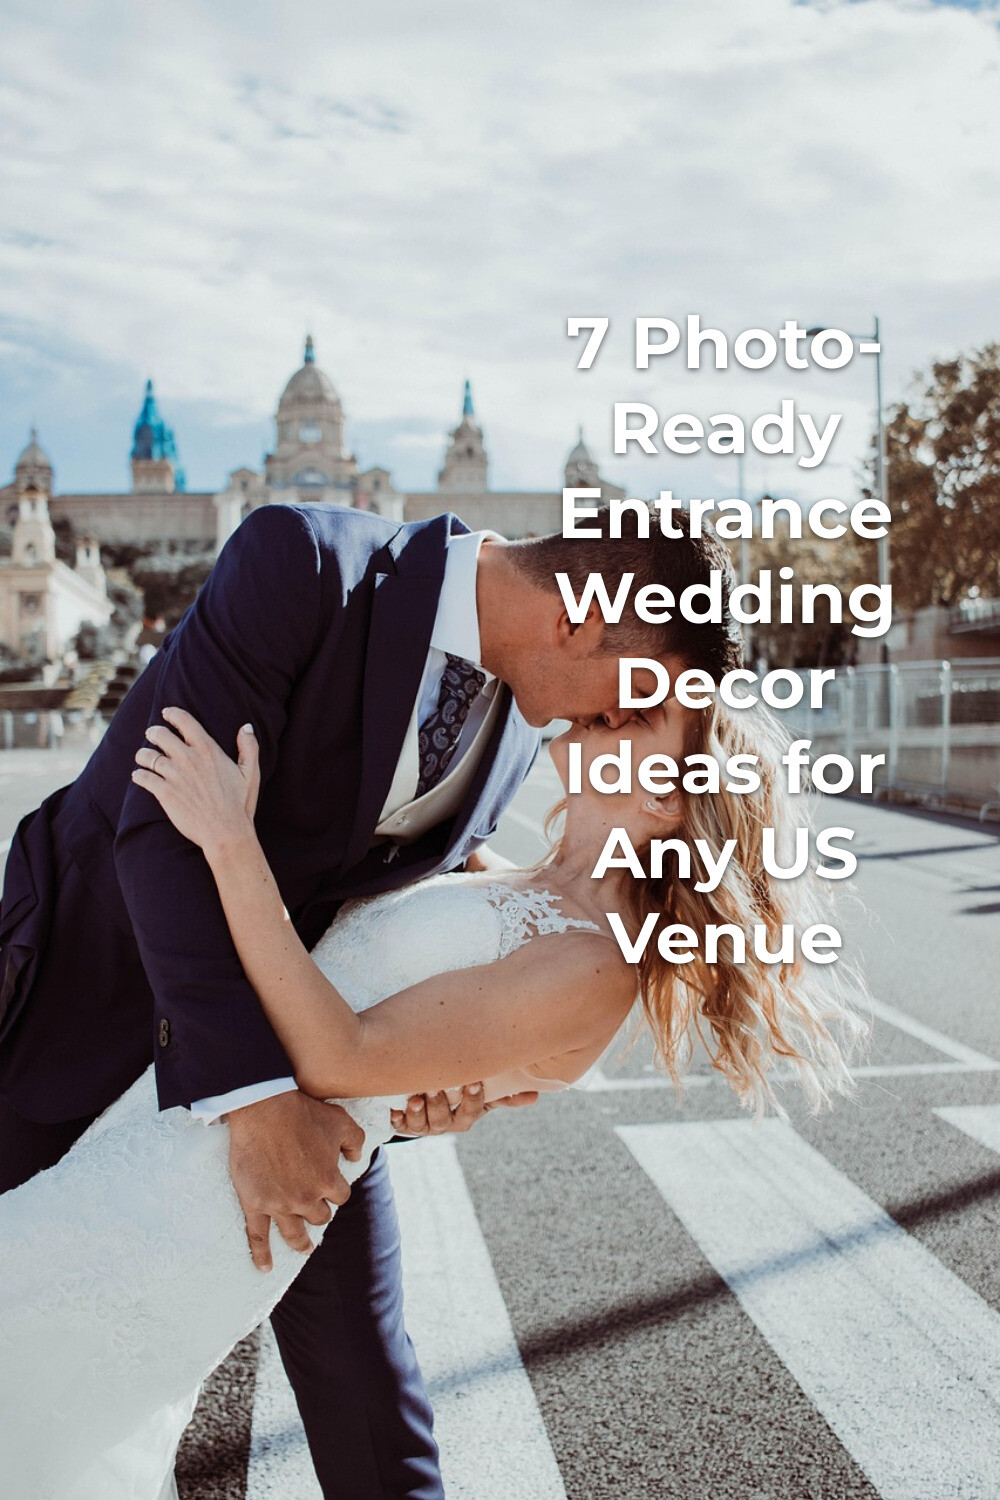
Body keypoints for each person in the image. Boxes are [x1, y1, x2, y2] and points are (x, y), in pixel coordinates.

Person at [0, 500, 737, 1498]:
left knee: (360, 1371)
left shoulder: (526, 722)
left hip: (315, 1065)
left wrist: (451, 1067)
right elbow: (159, 818)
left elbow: (425, 906)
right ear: (576, 620)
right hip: (92, 1003)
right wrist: (258, 1098)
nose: (606, 720)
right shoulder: (300, 564)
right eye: (634, 689)